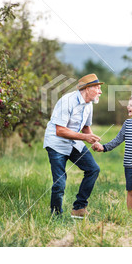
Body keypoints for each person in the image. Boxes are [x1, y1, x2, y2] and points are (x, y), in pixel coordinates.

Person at [43, 73, 103, 219]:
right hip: (56, 143)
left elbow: (86, 128)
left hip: (74, 143)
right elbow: (60, 130)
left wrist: (94, 141)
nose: (100, 92)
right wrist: (85, 137)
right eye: (97, 88)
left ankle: (79, 208)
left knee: (93, 169)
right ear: (87, 89)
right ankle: (55, 216)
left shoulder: (89, 105)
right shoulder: (67, 101)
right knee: (60, 183)